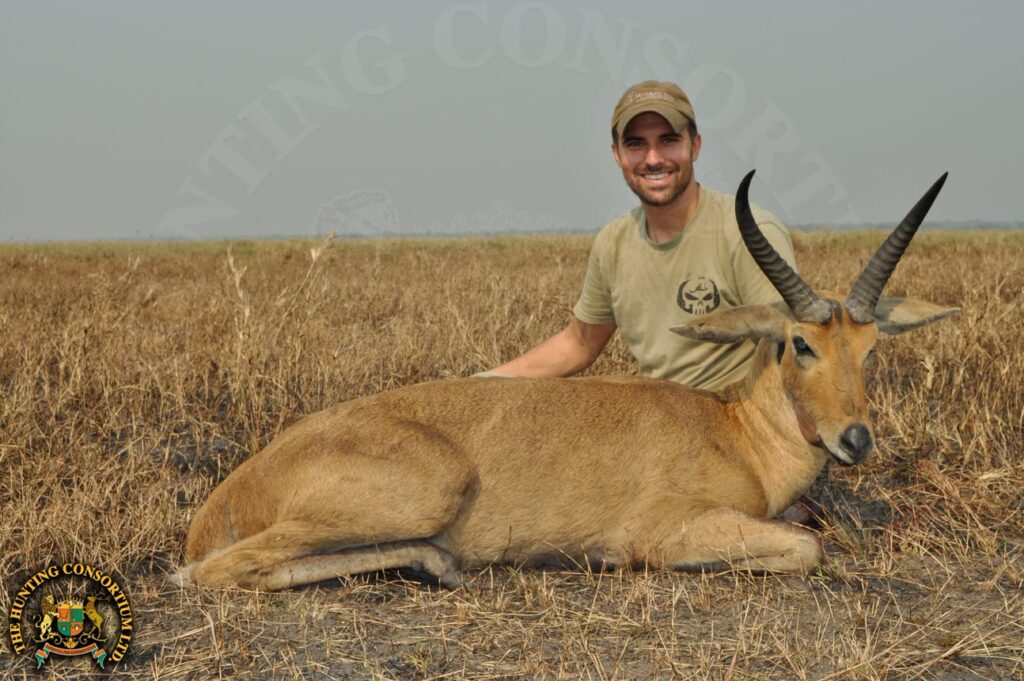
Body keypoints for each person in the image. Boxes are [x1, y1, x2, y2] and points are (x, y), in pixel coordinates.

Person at [487, 81, 797, 390]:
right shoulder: (613, 242)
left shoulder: (749, 231)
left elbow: (793, 343)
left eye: (668, 140)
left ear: (696, 146)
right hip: (654, 419)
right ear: (616, 154)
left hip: (735, 423)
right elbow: (579, 343)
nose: (652, 159)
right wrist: (480, 384)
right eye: (636, 144)